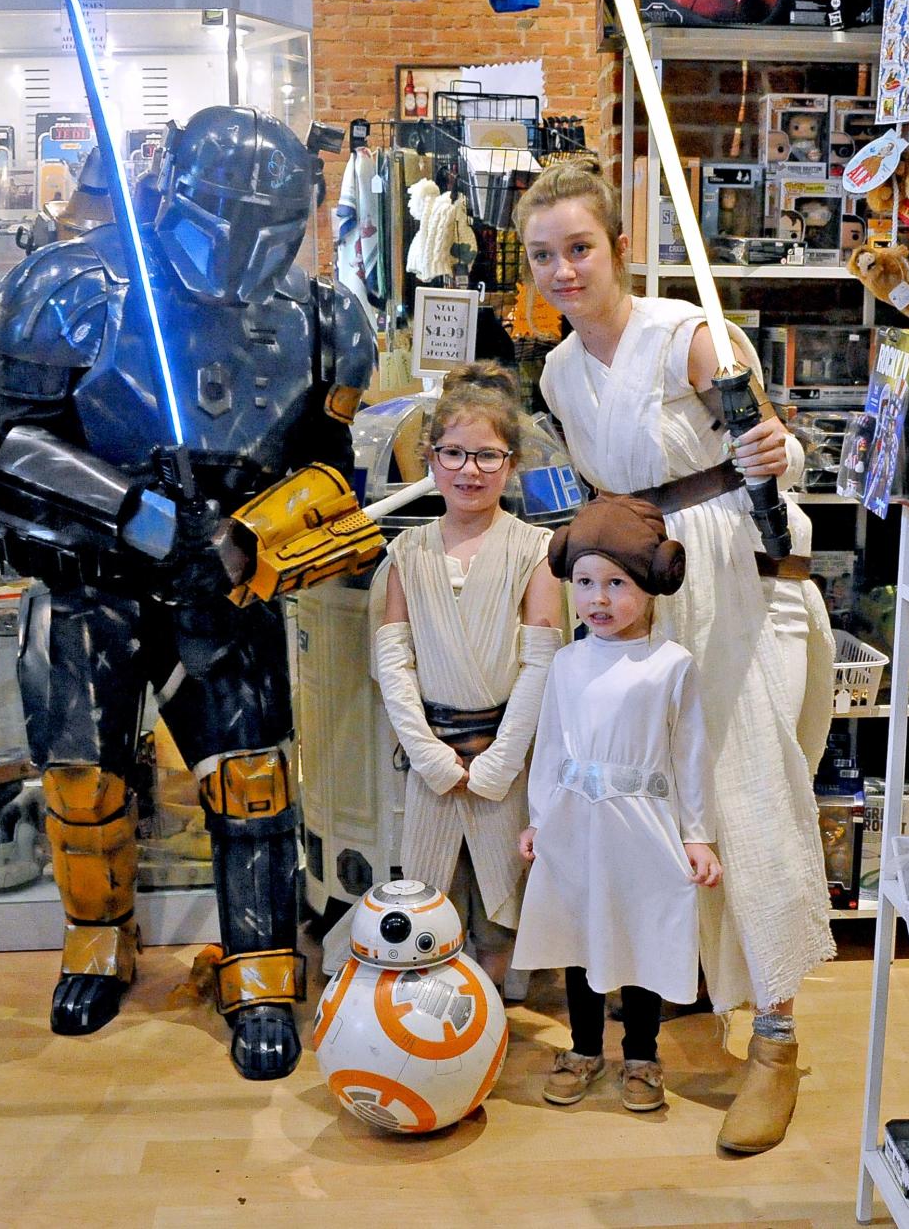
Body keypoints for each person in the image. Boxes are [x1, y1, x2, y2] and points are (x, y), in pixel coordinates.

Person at [0, 106, 380, 1081]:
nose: (242, 247)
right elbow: (8, 443)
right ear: (176, 197)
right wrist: (128, 507)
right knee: (85, 781)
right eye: (225, 218)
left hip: (225, 583)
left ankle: (259, 974)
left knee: (252, 783)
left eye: (268, 223)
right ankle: (97, 942)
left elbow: (335, 477)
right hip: (96, 578)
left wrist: (259, 534)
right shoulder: (71, 284)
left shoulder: (322, 321)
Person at [513, 157, 836, 1152]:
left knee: (741, 788)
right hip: (638, 583)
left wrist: (774, 449)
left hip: (729, 577)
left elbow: (774, 454)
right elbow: (604, 500)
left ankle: (776, 1036)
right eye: (544, 255)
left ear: (616, 245)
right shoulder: (560, 370)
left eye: (580, 248)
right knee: (649, 793)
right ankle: (686, 988)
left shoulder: (691, 336)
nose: (564, 270)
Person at [513, 495, 722, 1112]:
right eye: (584, 582)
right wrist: (539, 817)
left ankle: (642, 1055)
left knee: (639, 934)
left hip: (644, 826)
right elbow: (549, 746)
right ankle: (582, 1049)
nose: (598, 599)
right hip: (576, 826)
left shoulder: (671, 665)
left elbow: (690, 753)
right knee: (581, 937)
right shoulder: (568, 662)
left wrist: (697, 833)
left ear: (654, 585)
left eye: (616, 583)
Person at [374, 362, 564, 989]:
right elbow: (393, 663)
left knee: (498, 905)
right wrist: (425, 752)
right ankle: (435, 1028)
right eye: (453, 453)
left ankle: (490, 1021)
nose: (469, 470)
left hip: (499, 759)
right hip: (430, 757)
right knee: (430, 900)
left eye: (487, 456)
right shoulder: (408, 551)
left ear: (511, 464)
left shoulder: (533, 550)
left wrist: (502, 760)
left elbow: (541, 663)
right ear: (430, 460)